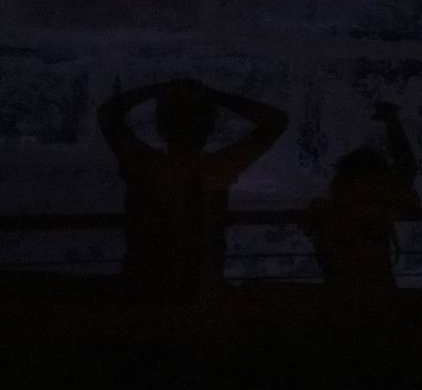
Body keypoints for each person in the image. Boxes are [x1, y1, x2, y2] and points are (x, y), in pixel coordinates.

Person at [98, 77, 288, 299]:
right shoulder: (216, 168)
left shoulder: (145, 165)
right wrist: (214, 95)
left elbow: (108, 114)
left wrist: (158, 89)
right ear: (209, 125)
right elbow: (275, 121)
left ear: (162, 124)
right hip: (201, 292)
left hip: (143, 289)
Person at [304, 102, 420, 292]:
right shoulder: (377, 214)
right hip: (379, 294)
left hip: (340, 296)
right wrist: (392, 121)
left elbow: (406, 172)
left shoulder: (324, 214)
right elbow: (406, 171)